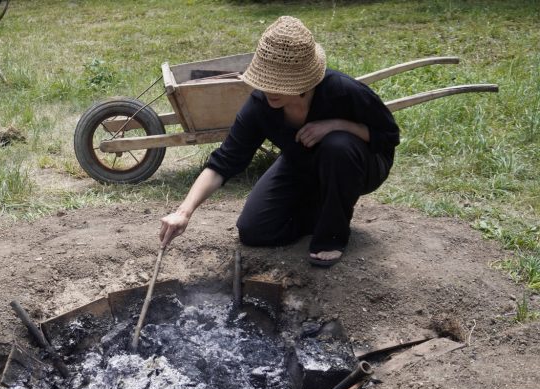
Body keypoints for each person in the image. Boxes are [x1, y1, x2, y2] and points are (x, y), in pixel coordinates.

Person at [159, 16, 400, 266]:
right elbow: (223, 163)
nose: (270, 90)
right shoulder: (260, 105)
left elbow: (389, 136)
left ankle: (333, 235)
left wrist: (338, 125)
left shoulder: (342, 90)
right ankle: (323, 209)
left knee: (337, 145)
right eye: (266, 82)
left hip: (361, 164)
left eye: (280, 84)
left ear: (304, 80)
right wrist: (183, 212)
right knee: (254, 230)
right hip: (302, 162)